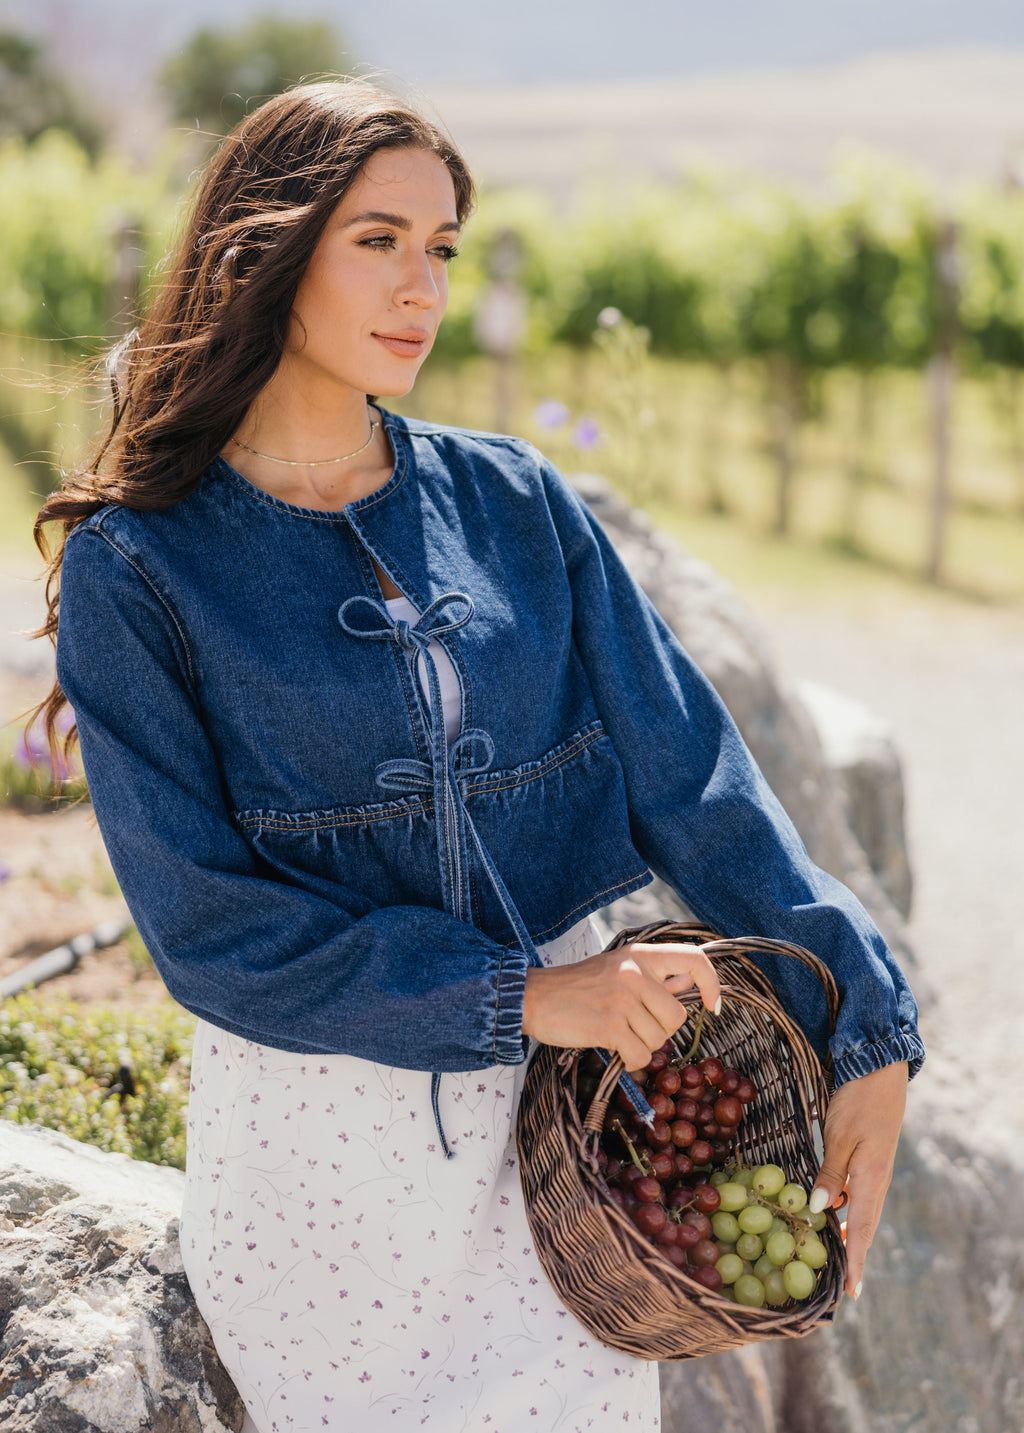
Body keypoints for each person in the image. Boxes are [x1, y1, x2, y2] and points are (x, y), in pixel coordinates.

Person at [34, 77, 924, 1433]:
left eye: (442, 246)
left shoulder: (516, 503)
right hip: (328, 1162)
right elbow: (212, 935)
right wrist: (529, 994)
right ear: (264, 249)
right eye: (379, 238)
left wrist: (867, 1019)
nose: (423, 286)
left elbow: (692, 775)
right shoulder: (141, 568)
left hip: (573, 1156)